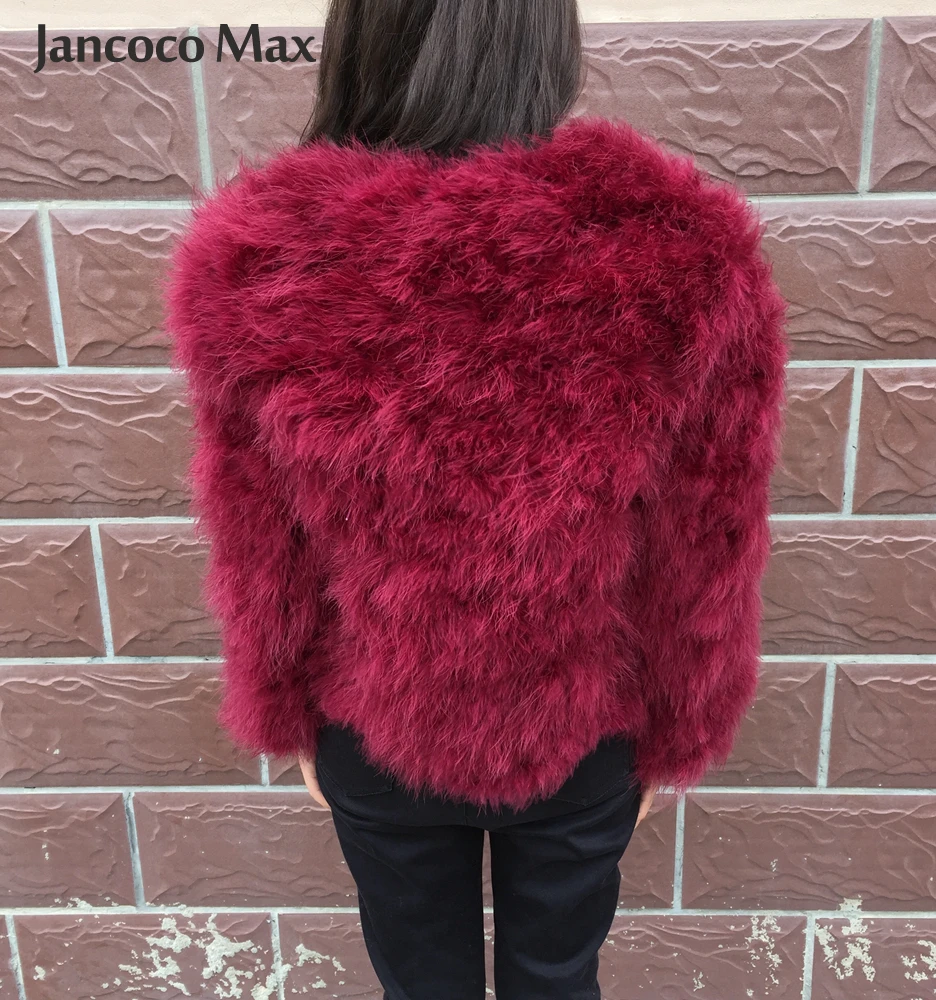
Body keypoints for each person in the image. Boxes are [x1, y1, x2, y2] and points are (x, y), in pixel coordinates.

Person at [162, 0, 789, 997]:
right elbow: (707, 535)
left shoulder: (261, 256)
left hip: (375, 723)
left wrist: (281, 705)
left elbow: (258, 544)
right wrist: (683, 727)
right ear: (546, 41)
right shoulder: (681, 251)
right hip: (583, 733)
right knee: (558, 977)